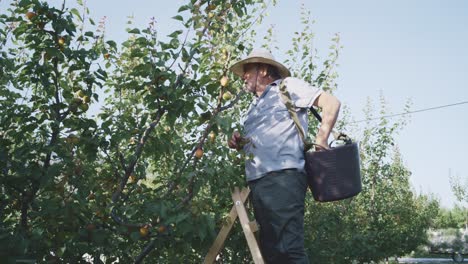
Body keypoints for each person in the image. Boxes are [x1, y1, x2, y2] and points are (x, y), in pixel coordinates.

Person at [227, 48, 341, 263]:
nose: (243, 76)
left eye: (247, 70)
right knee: (272, 252)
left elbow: (331, 102)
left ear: (262, 70)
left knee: (288, 249)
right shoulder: (253, 107)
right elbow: (263, 140)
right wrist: (238, 142)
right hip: (258, 181)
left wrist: (322, 137)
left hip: (283, 177)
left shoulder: (286, 87)